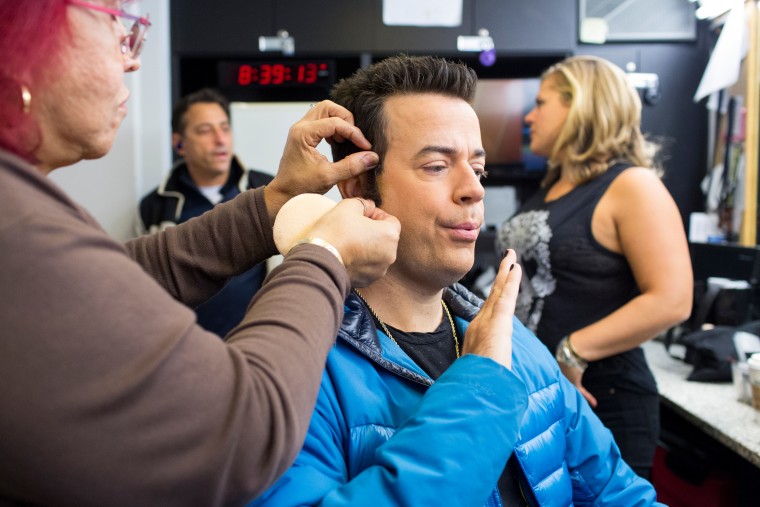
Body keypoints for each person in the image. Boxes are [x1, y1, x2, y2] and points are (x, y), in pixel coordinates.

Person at [0, 1, 401, 506]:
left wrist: (275, 202)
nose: (132, 60)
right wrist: (325, 256)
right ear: (26, 38)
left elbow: (129, 277)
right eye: (114, 26)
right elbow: (244, 431)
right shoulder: (19, 233)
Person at [251, 55, 662, 507]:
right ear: (357, 185)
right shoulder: (299, 375)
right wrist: (481, 381)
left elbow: (618, 495)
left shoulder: (517, 347)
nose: (474, 190)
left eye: (477, 168)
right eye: (436, 166)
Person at [496, 55, 693, 478]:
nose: (529, 116)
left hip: (604, 396)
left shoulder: (631, 185)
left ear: (581, 105)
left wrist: (573, 351)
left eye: (541, 102)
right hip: (546, 396)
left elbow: (673, 299)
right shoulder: (553, 187)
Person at [137, 88, 274, 337]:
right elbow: (141, 286)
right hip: (184, 350)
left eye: (224, 128)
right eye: (205, 130)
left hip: (256, 344)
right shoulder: (155, 206)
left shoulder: (267, 190)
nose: (220, 139)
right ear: (179, 143)